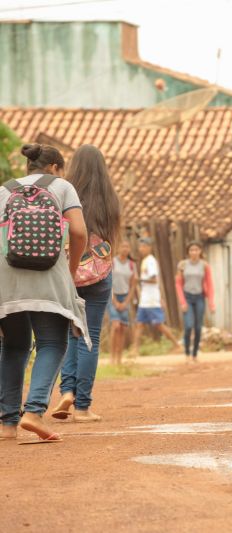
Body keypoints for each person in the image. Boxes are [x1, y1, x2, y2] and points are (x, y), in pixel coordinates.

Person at [0, 143, 89, 442]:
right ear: (54, 168)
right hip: (49, 274)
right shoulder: (62, 186)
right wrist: (71, 269)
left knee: (13, 346)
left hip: (7, 277)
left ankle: (7, 424)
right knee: (52, 343)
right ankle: (34, 412)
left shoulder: (5, 190)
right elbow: (78, 231)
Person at [52, 145, 120, 423]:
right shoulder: (110, 199)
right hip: (100, 273)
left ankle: (66, 391)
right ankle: (82, 406)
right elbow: (112, 238)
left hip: (69, 271)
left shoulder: (66, 193)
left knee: (71, 335)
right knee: (90, 336)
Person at [131, 237, 180, 354]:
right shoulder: (145, 261)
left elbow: (154, 280)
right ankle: (135, 350)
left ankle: (177, 345)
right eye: (140, 246)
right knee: (139, 324)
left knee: (158, 325)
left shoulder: (151, 261)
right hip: (145, 298)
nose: (141, 249)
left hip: (151, 299)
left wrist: (139, 280)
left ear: (149, 248)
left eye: (143, 246)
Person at [175, 241, 215, 362]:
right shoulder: (182, 265)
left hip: (199, 297)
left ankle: (195, 353)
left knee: (198, 328)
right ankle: (187, 352)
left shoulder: (204, 266)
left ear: (200, 251)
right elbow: (178, 283)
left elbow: (209, 284)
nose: (194, 252)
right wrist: (182, 302)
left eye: (196, 250)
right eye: (191, 250)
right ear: (188, 252)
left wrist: (211, 303)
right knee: (188, 326)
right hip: (187, 297)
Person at [108, 240, 137, 365]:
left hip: (125, 297)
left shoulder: (132, 265)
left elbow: (133, 286)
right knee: (115, 326)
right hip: (112, 296)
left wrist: (126, 302)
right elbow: (108, 282)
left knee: (123, 328)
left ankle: (119, 358)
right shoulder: (112, 262)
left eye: (127, 246)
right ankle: (112, 357)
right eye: (122, 246)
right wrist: (114, 300)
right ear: (117, 248)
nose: (125, 249)